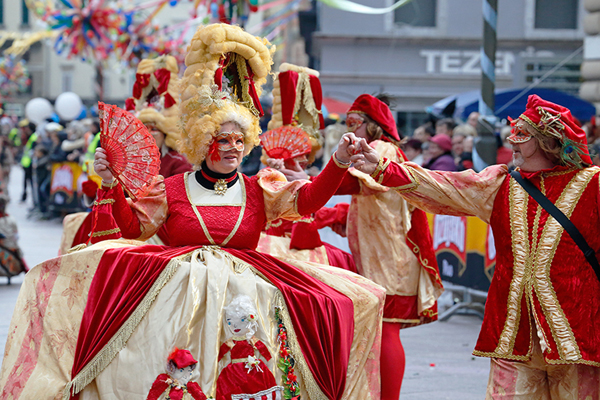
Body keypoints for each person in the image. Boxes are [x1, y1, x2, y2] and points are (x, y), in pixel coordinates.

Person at [0, 24, 385, 400]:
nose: (233, 148)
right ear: (203, 142)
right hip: (175, 300)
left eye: (239, 140)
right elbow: (132, 229)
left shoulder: (260, 188)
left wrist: (337, 162)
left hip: (246, 298)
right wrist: (111, 184)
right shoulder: (170, 188)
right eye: (222, 140)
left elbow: (310, 201)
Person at [350, 94, 600, 399]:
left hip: (580, 336)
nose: (511, 141)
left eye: (521, 134)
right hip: (514, 334)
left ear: (547, 140)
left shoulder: (593, 185)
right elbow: (443, 185)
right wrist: (384, 168)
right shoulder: (501, 184)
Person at [272, 94, 443, 400]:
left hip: (392, 258)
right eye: (347, 123)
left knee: (387, 328)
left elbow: (351, 184)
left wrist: (307, 179)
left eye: (356, 123)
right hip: (385, 255)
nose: (350, 129)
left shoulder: (381, 149)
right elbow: (362, 197)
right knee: (381, 329)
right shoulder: (376, 150)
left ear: (375, 127)